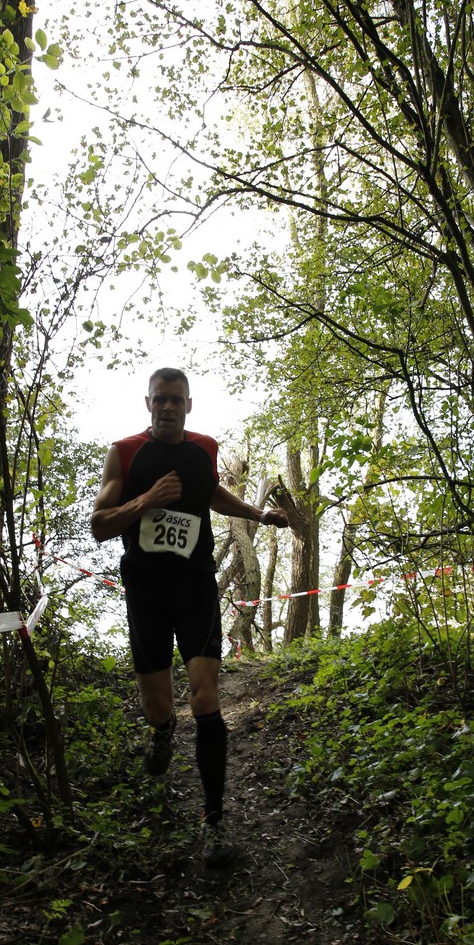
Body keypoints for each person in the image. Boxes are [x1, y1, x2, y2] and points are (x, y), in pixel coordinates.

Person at [90, 367, 289, 866]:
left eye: (176, 400)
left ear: (189, 405)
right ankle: (160, 733)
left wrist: (258, 514)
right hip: (146, 592)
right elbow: (99, 524)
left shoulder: (204, 448)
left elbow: (211, 494)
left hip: (196, 586)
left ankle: (214, 821)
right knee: (158, 706)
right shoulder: (125, 452)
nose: (168, 407)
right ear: (148, 403)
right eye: (160, 399)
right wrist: (147, 499)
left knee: (205, 697)